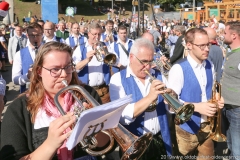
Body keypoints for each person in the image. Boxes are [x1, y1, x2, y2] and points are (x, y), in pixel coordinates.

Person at [0, 42, 110, 160]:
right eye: (55, 69)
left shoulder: (87, 94)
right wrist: (50, 144)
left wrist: (94, 128)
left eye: (68, 67)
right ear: (38, 71)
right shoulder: (19, 108)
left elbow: (105, 145)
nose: (64, 75)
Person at [109, 38, 172, 159]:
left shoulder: (159, 75)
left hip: (160, 138)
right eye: (143, 62)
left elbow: (169, 109)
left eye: (150, 61)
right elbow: (121, 117)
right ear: (131, 57)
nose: (147, 67)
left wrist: (171, 98)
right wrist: (149, 97)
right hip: (135, 144)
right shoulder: (117, 79)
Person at [168, 28, 224, 159]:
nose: (207, 49)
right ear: (189, 45)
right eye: (201, 46)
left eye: (208, 44)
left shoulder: (209, 64)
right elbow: (170, 105)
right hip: (186, 129)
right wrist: (196, 107)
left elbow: (211, 89)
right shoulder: (178, 69)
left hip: (207, 126)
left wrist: (218, 98)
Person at [72, 22, 111, 104]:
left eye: (99, 34)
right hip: (87, 91)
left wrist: (107, 54)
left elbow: (115, 62)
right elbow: (74, 69)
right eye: (94, 34)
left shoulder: (105, 46)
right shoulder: (80, 49)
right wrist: (86, 60)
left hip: (103, 90)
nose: (97, 37)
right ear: (89, 34)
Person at [222, 21, 240, 159]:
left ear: (234, 35)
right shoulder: (231, 52)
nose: (223, 35)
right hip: (227, 106)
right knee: (230, 144)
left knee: (237, 148)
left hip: (237, 109)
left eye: (225, 32)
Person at [12, 22, 43, 93]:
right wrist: (27, 77)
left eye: (38, 35)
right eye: (32, 35)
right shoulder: (19, 54)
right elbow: (15, 79)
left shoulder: (49, 51)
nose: (35, 38)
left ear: (42, 34)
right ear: (27, 35)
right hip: (27, 93)